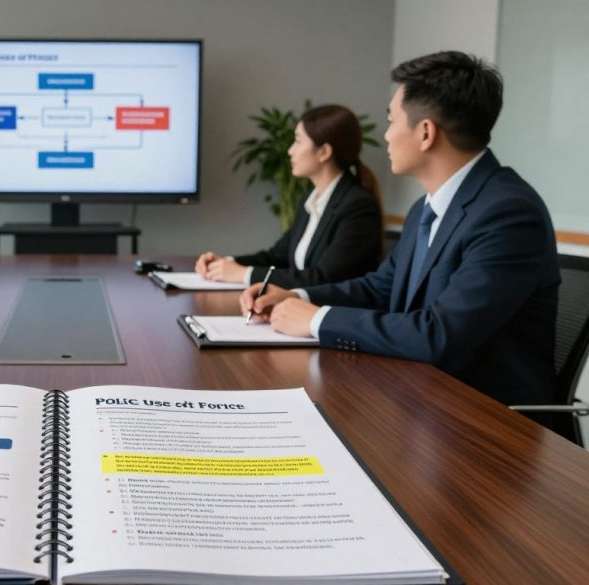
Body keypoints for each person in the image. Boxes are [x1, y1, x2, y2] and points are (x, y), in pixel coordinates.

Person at [241, 51, 560, 410]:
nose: (387, 135)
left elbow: (440, 334)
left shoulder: (508, 213)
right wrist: (296, 297)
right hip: (420, 399)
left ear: (426, 132)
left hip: (485, 422)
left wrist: (317, 319)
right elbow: (380, 288)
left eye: (391, 121)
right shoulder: (428, 207)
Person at [195, 105, 383, 288]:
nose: (290, 150)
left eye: (298, 141)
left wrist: (242, 274)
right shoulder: (312, 200)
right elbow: (277, 257)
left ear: (324, 152)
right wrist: (226, 263)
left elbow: (324, 278)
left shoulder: (357, 206)